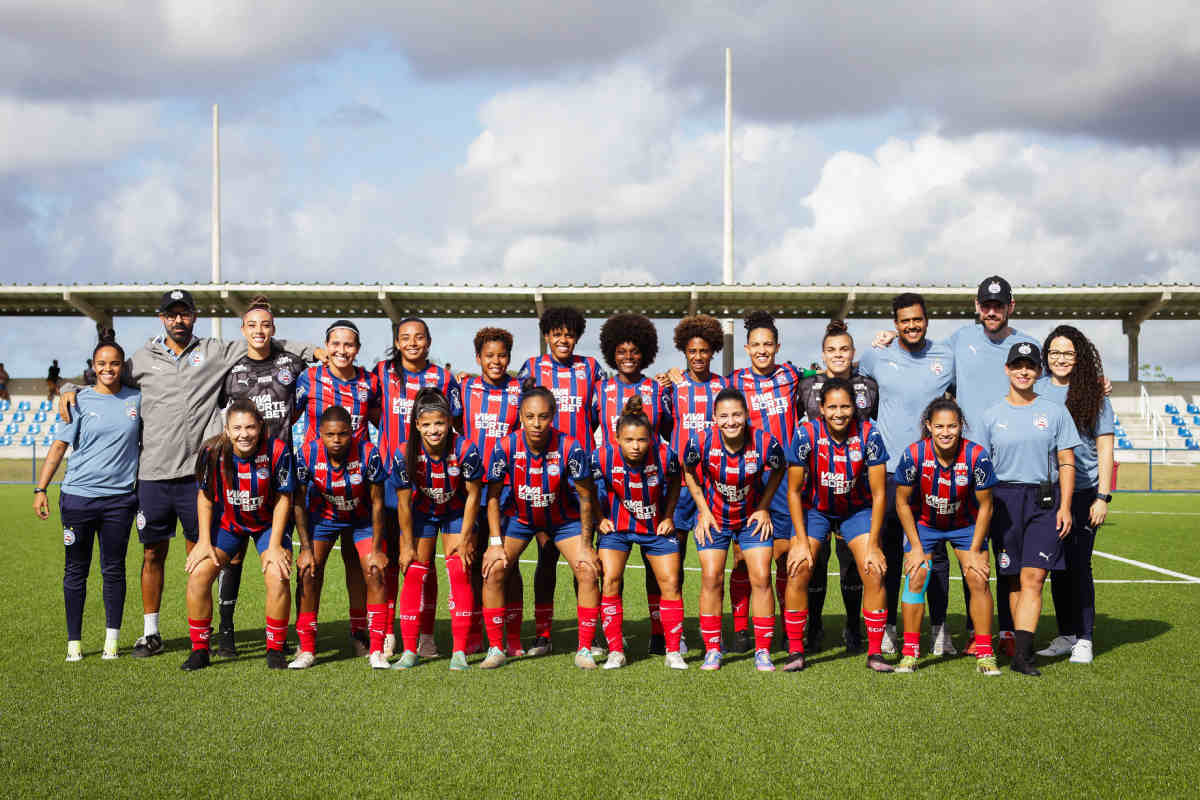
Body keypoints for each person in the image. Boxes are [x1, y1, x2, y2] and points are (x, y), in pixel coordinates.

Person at [57, 288, 318, 657]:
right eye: (171, 314)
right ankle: (151, 632)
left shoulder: (213, 351)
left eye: (184, 313)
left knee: (202, 555)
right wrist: (69, 387)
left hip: (198, 476)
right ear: (161, 318)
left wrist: (314, 351)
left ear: (194, 316)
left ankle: (206, 636)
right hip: (154, 473)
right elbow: (106, 375)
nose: (177, 320)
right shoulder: (141, 359)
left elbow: (263, 339)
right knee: (153, 554)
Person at [874, 276, 1040, 655]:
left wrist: (1096, 383)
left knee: (999, 558)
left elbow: (1047, 384)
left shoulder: (1027, 346)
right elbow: (916, 347)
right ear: (977, 306)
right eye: (986, 305)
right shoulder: (958, 342)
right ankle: (945, 630)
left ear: (1010, 306)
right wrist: (889, 337)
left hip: (1006, 468)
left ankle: (1001, 632)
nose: (992, 311)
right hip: (951, 465)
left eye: (999, 305)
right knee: (936, 553)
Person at [973, 342, 1080, 676]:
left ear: (1038, 371)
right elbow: (981, 468)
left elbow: (1067, 461)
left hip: (1044, 500)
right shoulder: (990, 415)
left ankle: (1022, 655)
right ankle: (1019, 647)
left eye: (1030, 366)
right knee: (1014, 580)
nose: (1023, 371)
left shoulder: (1055, 412)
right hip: (1004, 500)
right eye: (1017, 365)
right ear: (1007, 369)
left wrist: (1065, 506)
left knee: (1034, 577)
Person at [858, 293, 955, 656]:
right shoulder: (876, 356)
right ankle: (888, 628)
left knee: (934, 552)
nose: (912, 326)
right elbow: (847, 378)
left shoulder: (946, 356)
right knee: (890, 553)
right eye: (904, 321)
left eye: (917, 319)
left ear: (926, 320)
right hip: (889, 472)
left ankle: (939, 628)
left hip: (932, 471)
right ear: (895, 324)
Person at [478, 383, 600, 669]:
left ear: (553, 415)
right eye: (530, 416)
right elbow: (492, 497)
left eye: (543, 416)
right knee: (494, 569)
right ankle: (495, 648)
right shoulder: (505, 446)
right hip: (520, 519)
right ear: (521, 416)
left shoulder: (570, 446)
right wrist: (494, 543)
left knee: (588, 569)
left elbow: (585, 496)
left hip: (562, 521)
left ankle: (585, 648)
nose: (536, 423)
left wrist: (586, 544)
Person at [213, 296, 308, 656]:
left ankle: (290, 634)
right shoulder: (231, 370)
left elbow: (310, 389)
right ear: (242, 330)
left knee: (285, 558)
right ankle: (225, 631)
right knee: (233, 558)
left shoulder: (291, 364)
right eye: (252, 325)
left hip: (280, 476)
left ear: (273, 329)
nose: (259, 331)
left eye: (265, 325)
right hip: (239, 477)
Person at [33, 340, 140, 661]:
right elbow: (58, 446)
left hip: (120, 501)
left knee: (114, 570)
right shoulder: (77, 400)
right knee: (75, 571)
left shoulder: (137, 399)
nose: (108, 369)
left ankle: (111, 643)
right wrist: (41, 489)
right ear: (93, 367)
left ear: (123, 366)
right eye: (102, 363)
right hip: (78, 499)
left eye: (114, 363)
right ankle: (74, 644)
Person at [784, 378, 892, 673]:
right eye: (832, 407)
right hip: (816, 509)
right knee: (798, 567)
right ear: (821, 408)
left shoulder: (869, 434)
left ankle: (875, 652)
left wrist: (874, 545)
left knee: (873, 569)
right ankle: (795, 650)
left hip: (855, 510)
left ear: (854, 407)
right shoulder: (806, 433)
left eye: (845, 406)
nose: (839, 413)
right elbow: (793, 491)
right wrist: (801, 542)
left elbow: (880, 493)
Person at [516, 307, 606, 657]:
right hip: (541, 475)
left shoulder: (591, 368)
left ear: (578, 336)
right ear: (547, 336)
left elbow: (599, 414)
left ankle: (591, 633)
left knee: (584, 556)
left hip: (579, 477)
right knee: (546, 556)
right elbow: (518, 410)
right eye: (557, 334)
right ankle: (543, 633)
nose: (563, 339)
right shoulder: (531, 368)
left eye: (569, 334)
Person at [180, 400, 295, 671]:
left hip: (267, 525)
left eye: (250, 427)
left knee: (278, 575)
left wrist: (275, 545)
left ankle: (275, 648)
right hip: (229, 525)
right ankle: (200, 650)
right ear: (227, 430)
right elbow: (205, 497)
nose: (244, 434)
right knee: (198, 575)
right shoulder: (212, 451)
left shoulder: (277, 450)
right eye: (237, 428)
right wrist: (204, 542)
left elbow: (284, 498)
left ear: (261, 427)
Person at [372, 317, 463, 659]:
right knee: (391, 560)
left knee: (425, 564)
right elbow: (371, 411)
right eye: (405, 337)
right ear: (397, 342)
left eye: (419, 337)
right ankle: (388, 632)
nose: (412, 342)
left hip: (430, 481)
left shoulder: (443, 377)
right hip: (390, 479)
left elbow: (455, 419)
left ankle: (425, 634)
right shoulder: (382, 373)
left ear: (428, 341)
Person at [892, 398, 1001, 675]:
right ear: (929, 426)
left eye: (952, 426)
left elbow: (986, 506)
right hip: (925, 524)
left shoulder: (976, 456)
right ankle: (910, 652)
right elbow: (902, 502)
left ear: (961, 425)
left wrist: (975, 551)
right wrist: (916, 547)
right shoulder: (914, 454)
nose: (945, 432)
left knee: (977, 577)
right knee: (917, 574)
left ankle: (985, 652)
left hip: (965, 525)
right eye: (939, 426)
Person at [683, 387, 787, 672]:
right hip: (715, 519)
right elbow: (688, 470)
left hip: (750, 519)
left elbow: (779, 469)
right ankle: (713, 649)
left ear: (747, 415)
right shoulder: (700, 441)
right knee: (711, 577)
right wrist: (703, 510)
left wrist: (764, 506)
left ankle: (763, 651)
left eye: (737, 415)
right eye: (724, 416)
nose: (731, 421)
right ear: (715, 418)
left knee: (761, 577)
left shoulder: (765, 442)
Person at [294, 319, 380, 656]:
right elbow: (288, 417)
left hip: (358, 488)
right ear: (326, 346)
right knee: (310, 569)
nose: (342, 350)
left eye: (349, 344)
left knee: (359, 567)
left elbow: (383, 421)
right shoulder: (309, 378)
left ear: (357, 349)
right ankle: (305, 643)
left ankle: (360, 633)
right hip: (321, 491)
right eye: (336, 343)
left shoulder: (369, 382)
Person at [724, 312, 805, 654]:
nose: (762, 350)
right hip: (748, 478)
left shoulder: (792, 375)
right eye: (755, 344)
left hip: (784, 479)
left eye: (767, 344)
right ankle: (741, 630)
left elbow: (829, 374)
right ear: (746, 348)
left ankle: (785, 627)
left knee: (783, 556)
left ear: (777, 347)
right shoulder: (734, 381)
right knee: (742, 557)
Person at [595, 313, 676, 655]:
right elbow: (588, 430)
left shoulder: (658, 389)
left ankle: (659, 633)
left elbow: (669, 433)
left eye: (634, 351)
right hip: (613, 490)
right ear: (611, 353)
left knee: (656, 570)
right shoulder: (601, 390)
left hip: (652, 490)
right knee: (608, 570)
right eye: (621, 351)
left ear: (645, 352)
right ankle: (608, 636)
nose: (628, 356)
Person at [795, 319, 878, 653]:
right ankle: (814, 626)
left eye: (844, 349)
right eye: (832, 350)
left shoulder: (868, 386)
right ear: (823, 354)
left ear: (853, 352)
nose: (838, 355)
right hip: (817, 489)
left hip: (854, 487)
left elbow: (871, 427)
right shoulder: (806, 385)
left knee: (852, 564)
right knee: (815, 563)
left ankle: (853, 626)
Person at [1034, 325, 1114, 665]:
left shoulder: (1095, 393)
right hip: (1047, 492)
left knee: (1080, 565)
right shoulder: (1036, 390)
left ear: (1079, 356)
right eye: (1055, 352)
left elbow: (1105, 446)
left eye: (1067, 353)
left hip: (1083, 491)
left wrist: (1103, 497)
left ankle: (1084, 637)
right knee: (1058, 566)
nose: (1061, 359)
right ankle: (1066, 634)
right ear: (1046, 356)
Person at [389, 388, 483, 671]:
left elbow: (474, 496)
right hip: (423, 513)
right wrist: (407, 545)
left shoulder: (465, 449)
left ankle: (459, 652)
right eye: (427, 424)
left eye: (440, 423)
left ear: (449, 422)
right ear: (417, 425)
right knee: (414, 572)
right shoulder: (404, 452)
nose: (434, 430)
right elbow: (403, 503)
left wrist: (466, 538)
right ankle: (409, 651)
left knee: (459, 570)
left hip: (456, 512)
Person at [591, 396, 686, 669]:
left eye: (642, 440)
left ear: (651, 439)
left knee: (670, 582)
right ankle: (616, 651)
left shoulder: (665, 455)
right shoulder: (602, 456)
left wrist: (668, 515)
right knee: (610, 579)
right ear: (617, 439)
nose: (636, 446)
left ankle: (673, 651)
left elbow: (676, 481)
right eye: (629, 440)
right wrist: (599, 518)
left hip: (655, 528)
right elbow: (587, 488)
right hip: (618, 528)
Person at [291, 406, 389, 669]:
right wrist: (305, 549)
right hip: (323, 519)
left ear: (352, 432)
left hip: (362, 520)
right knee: (308, 572)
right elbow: (298, 503)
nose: (336, 440)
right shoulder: (307, 453)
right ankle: (306, 649)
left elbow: (378, 503)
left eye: (343, 434)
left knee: (375, 571)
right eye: (330, 434)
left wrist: (377, 548)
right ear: (320, 433)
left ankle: (376, 649)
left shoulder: (369, 453)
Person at [660, 315, 727, 648]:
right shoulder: (672, 387)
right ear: (684, 352)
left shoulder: (724, 387)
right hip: (678, 488)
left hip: (712, 489)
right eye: (692, 351)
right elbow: (661, 427)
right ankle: (676, 633)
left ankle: (711, 629)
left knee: (712, 568)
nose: (698, 356)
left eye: (704, 350)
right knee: (673, 566)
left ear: (713, 351)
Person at [460, 327, 525, 656]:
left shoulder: (520, 390)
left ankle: (512, 636)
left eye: (502, 355)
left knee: (508, 564)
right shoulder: (464, 387)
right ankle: (474, 633)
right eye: (489, 356)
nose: (496, 361)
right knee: (471, 562)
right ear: (478, 358)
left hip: (508, 491)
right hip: (471, 490)